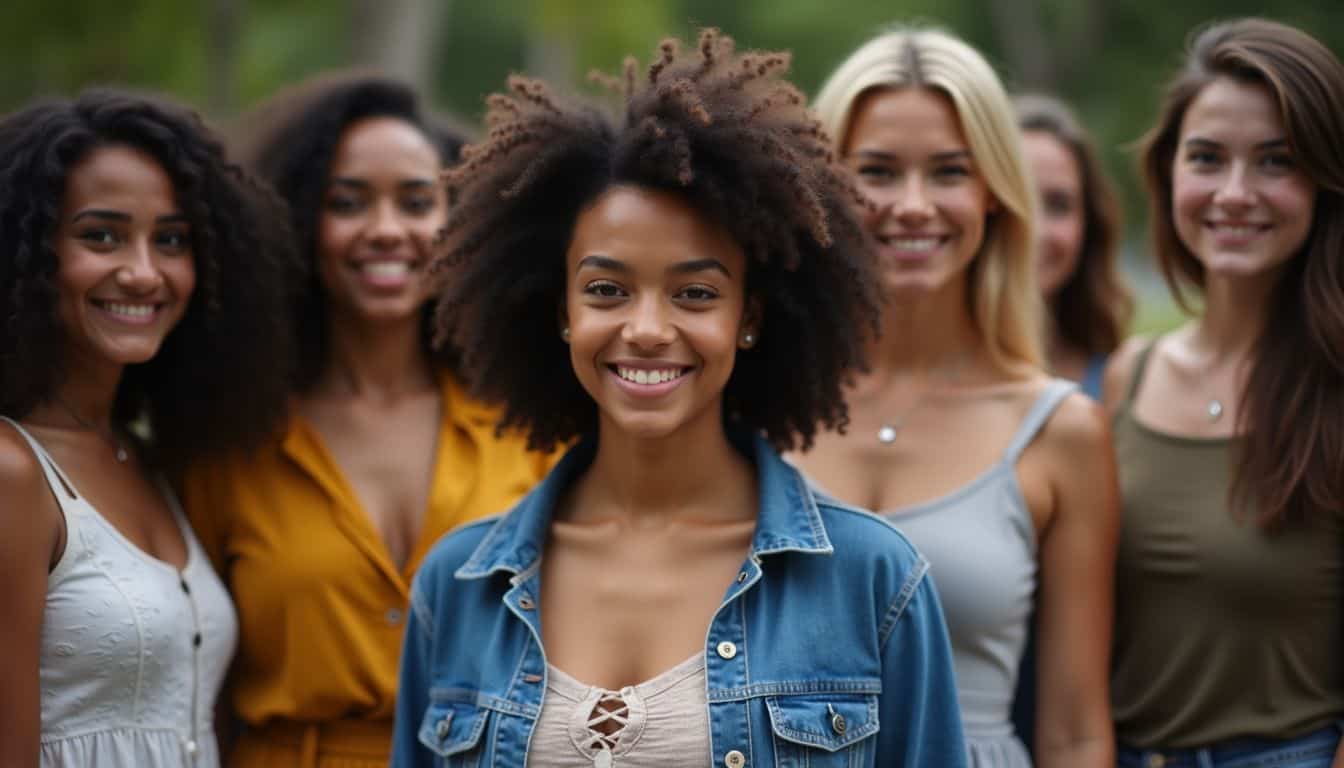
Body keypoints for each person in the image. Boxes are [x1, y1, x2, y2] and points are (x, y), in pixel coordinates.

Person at [391, 29, 967, 767]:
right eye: (606, 290)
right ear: (561, 310)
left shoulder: (874, 580)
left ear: (749, 318)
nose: (648, 328)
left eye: (695, 293)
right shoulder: (457, 585)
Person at [180, 74, 551, 767]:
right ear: (295, 223)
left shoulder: (529, 429)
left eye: (416, 202)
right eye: (347, 203)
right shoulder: (229, 445)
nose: (386, 230)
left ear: (460, 221)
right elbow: (197, 686)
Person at [793, 25, 1118, 767]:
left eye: (948, 172)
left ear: (994, 193)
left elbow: (1074, 732)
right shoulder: (753, 406)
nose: (912, 205)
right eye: (875, 171)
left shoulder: (1060, 431)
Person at [0, 89, 294, 767]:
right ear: (28, 255)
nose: (142, 272)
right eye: (100, 235)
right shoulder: (15, 471)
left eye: (171, 240)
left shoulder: (147, 459)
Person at [1103, 18, 1344, 767]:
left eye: (1276, 161)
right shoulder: (1127, 375)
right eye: (1207, 158)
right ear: (1170, 171)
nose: (1235, 193)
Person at [1015, 93, 1133, 399]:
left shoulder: (1124, 385)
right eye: (1016, 201)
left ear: (1089, 226)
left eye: (1058, 205)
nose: (1036, 231)